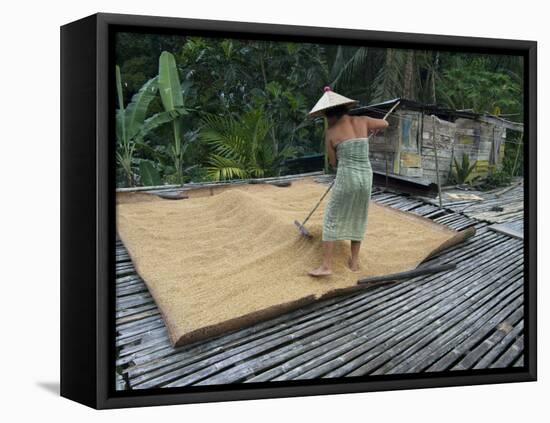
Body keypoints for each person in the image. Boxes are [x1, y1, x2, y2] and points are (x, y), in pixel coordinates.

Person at [307, 94, 390, 277]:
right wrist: (372, 130)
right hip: (366, 177)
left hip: (347, 176)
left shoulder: (331, 132)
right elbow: (385, 124)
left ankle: (327, 265)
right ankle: (354, 262)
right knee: (359, 215)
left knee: (331, 216)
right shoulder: (363, 120)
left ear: (330, 114)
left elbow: (333, 163)